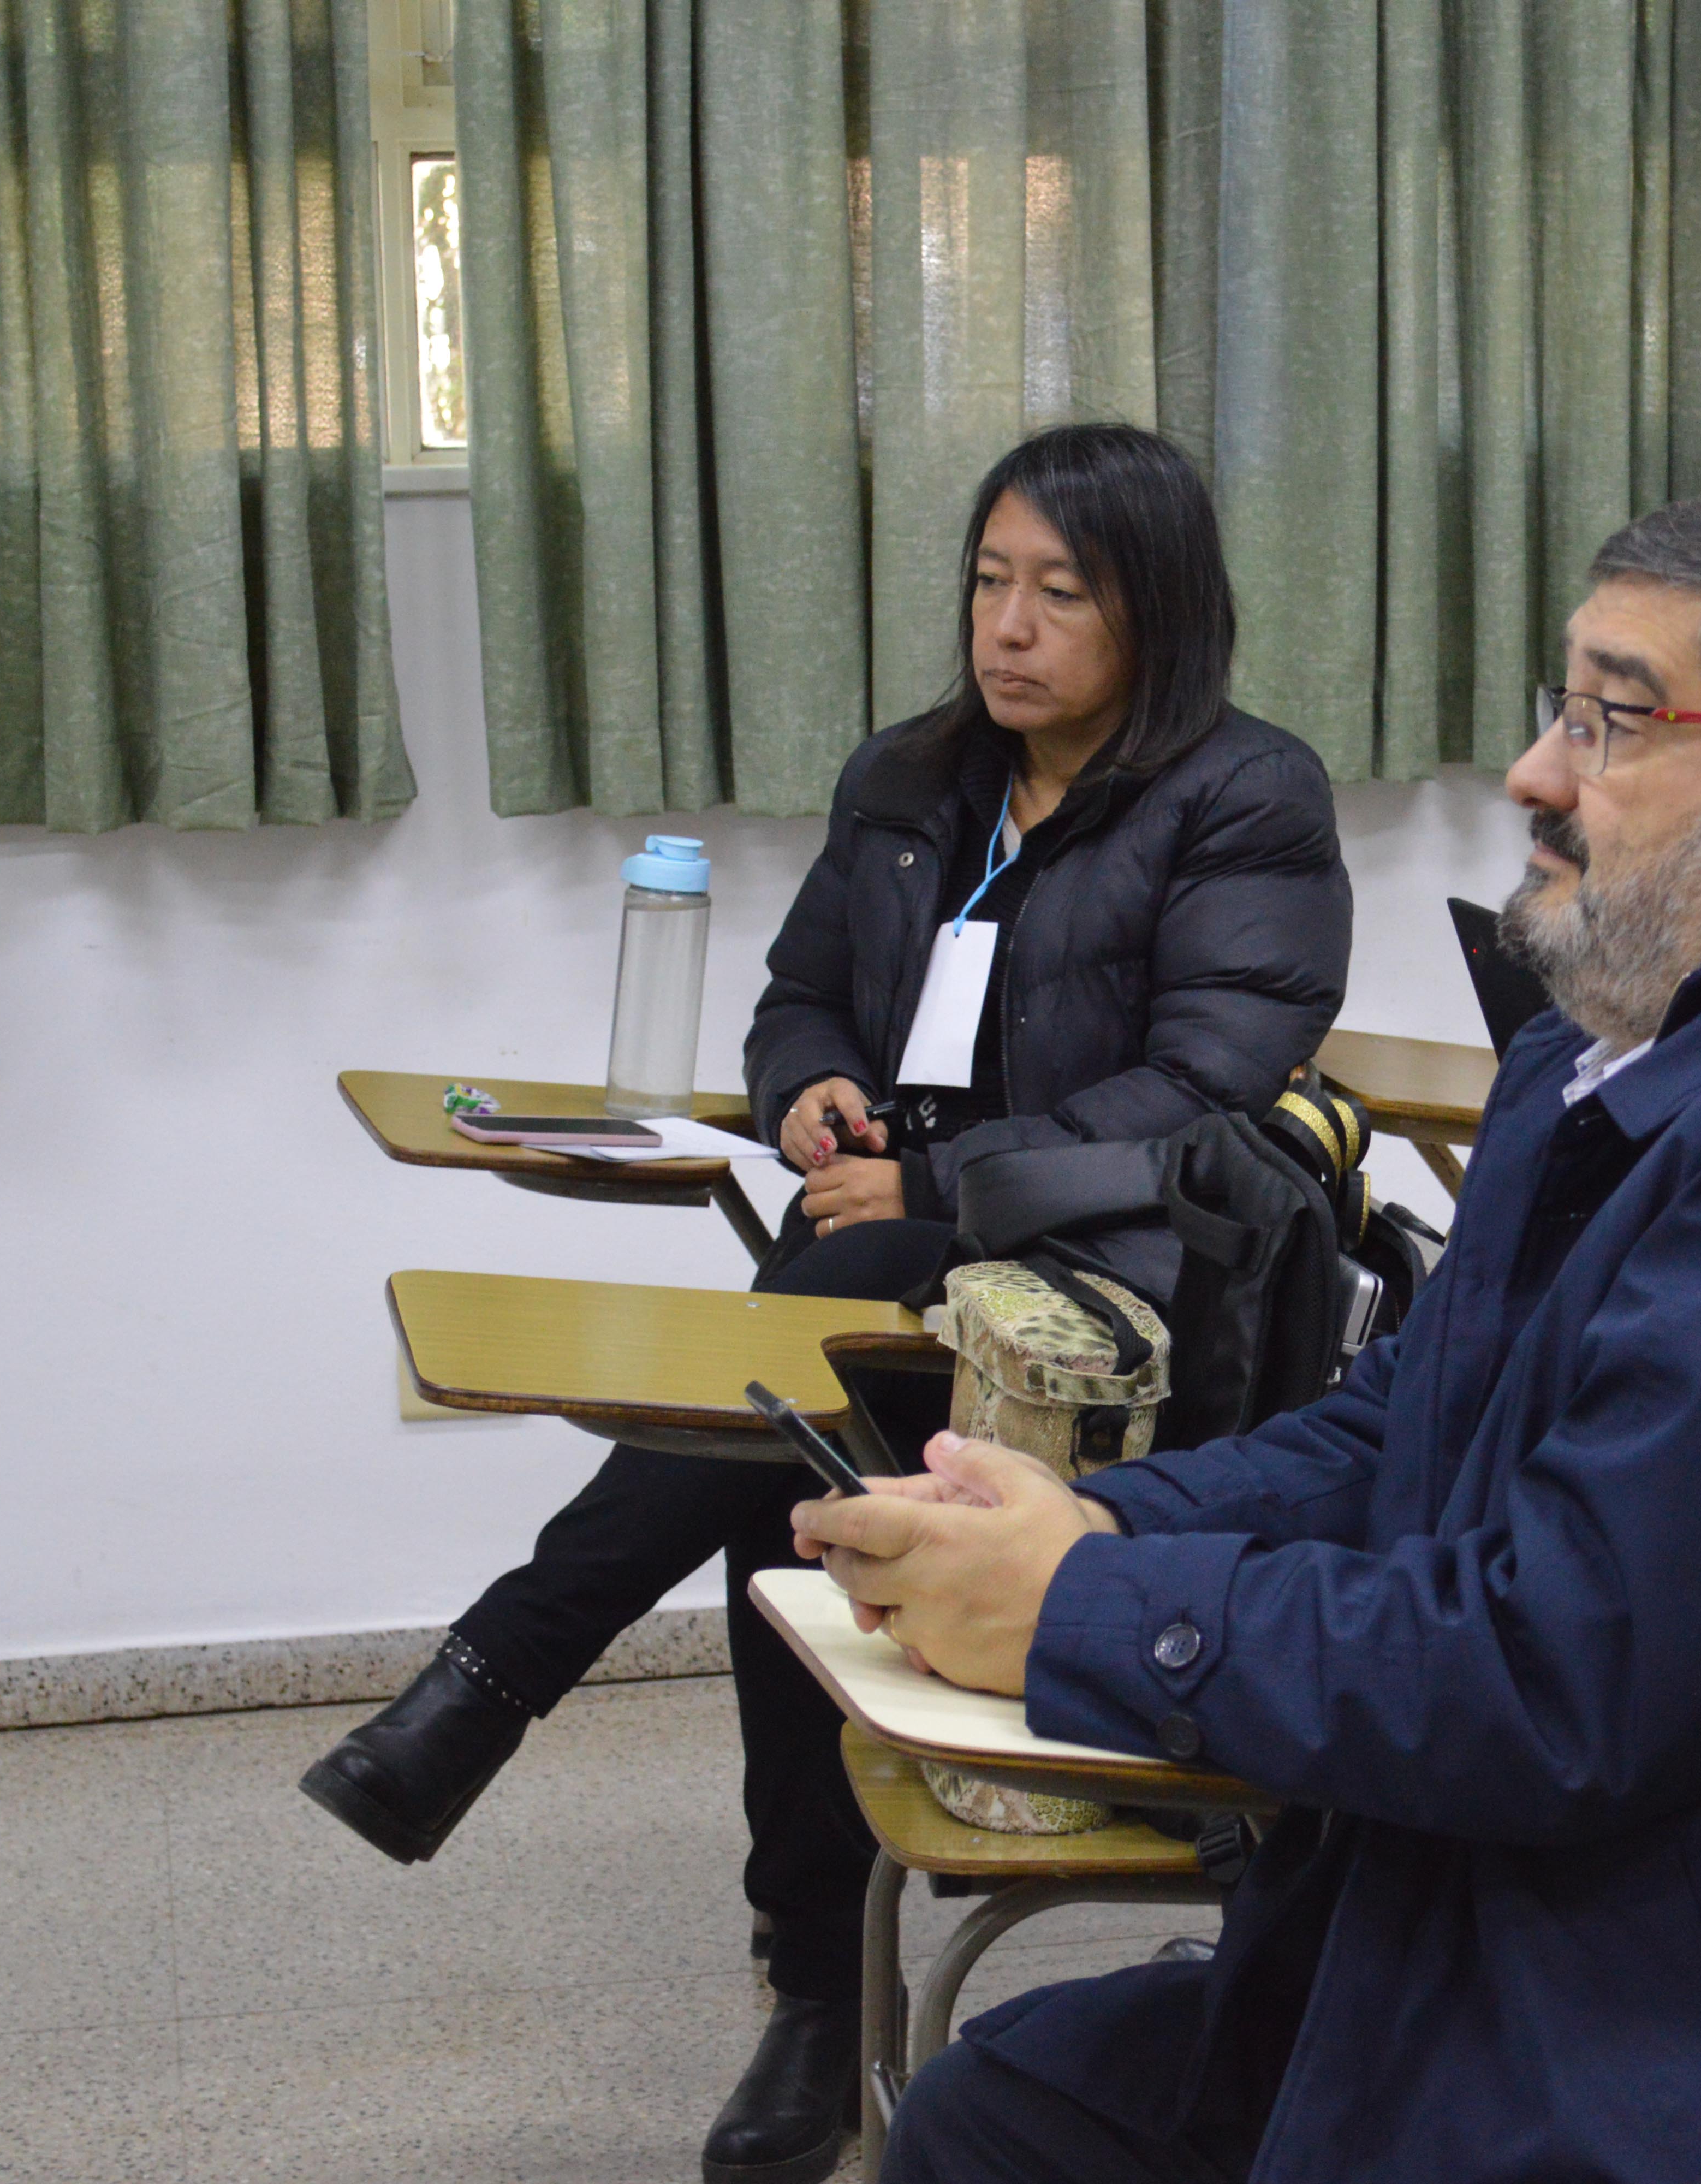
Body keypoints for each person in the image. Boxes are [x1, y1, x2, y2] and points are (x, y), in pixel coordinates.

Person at [799, 495, 1701, 2184]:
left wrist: (1082, 1610)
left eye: (1611, 723)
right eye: (1559, 710)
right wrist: (1086, 1527)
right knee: (1009, 2114)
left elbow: (1558, 1675)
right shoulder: (1615, 1053)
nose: (1533, 773)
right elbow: (1407, 1430)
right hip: (1656, 1897)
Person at [299, 424, 1352, 2184]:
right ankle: (809, 1976)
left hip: (1117, 1303)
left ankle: (499, 1681)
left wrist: (937, 1189)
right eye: (990, 582)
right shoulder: (915, 780)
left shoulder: (1247, 795)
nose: (1008, 627)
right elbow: (798, 999)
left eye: (1061, 593)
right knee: (789, 1469)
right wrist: (809, 1094)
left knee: (805, 1362)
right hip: (883, 1266)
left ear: (1157, 612)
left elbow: (1205, 1091)